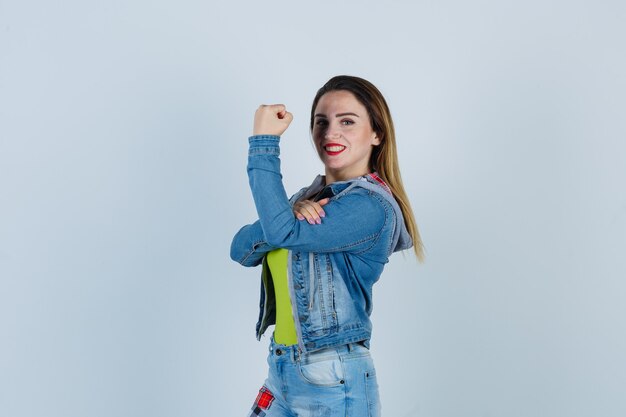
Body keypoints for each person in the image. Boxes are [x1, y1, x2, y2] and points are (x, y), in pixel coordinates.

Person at [230, 75, 425, 417]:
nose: (330, 133)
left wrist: (263, 142)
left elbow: (281, 234)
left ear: (377, 134)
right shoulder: (307, 200)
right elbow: (241, 249)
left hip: (332, 376)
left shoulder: (370, 206)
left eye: (347, 122)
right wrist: (287, 214)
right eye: (322, 122)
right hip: (282, 369)